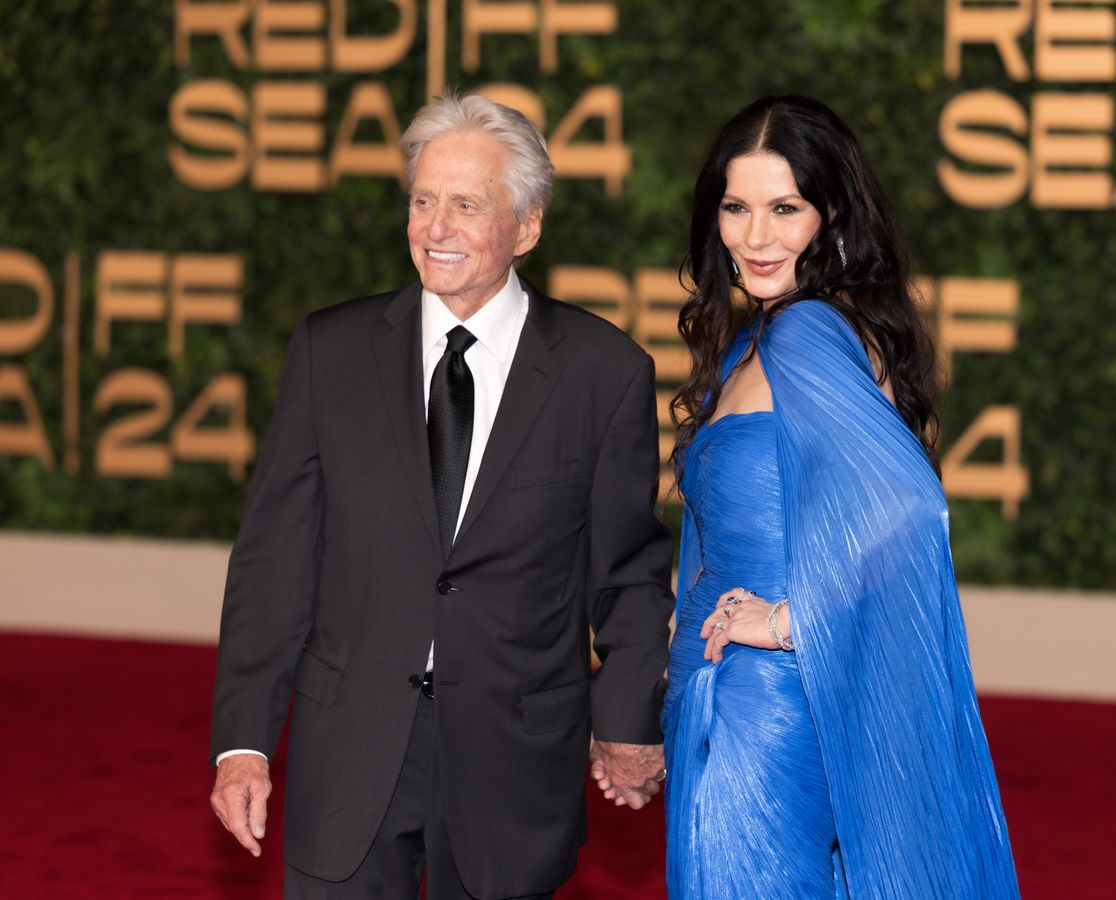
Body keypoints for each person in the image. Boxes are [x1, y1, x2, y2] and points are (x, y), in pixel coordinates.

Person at [208, 91, 673, 900]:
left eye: (466, 205)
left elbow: (627, 570)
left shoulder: (605, 373)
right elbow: (274, 561)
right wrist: (243, 742)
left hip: (512, 760)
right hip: (347, 749)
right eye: (423, 201)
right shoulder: (332, 352)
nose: (435, 227)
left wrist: (628, 721)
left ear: (526, 226)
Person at [662, 95, 1021, 898]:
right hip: (743, 699)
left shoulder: (804, 334)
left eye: (784, 208)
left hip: (762, 711)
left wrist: (789, 622)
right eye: (735, 207)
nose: (754, 237)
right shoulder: (764, 337)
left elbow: (907, 509)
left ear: (830, 216)